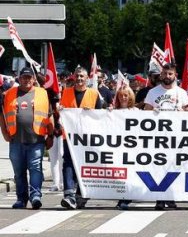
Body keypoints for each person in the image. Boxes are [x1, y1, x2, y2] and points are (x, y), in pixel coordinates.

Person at [0, 67, 53, 209]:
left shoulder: (42, 93)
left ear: (34, 79)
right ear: (19, 78)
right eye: (24, 77)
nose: (27, 80)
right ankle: (21, 199)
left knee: (35, 168)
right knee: (19, 172)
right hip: (16, 140)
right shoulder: (9, 94)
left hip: (37, 140)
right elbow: (2, 114)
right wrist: (4, 132)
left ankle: (35, 196)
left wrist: (51, 134)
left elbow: (49, 115)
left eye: (29, 77)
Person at [144, 63, 188, 210]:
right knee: (158, 166)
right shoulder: (152, 93)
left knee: (173, 166)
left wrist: (180, 112)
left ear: (175, 75)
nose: (167, 76)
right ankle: (159, 198)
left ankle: (170, 196)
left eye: (170, 74)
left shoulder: (181, 93)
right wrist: (152, 113)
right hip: (157, 137)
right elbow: (145, 114)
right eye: (165, 73)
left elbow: (187, 116)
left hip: (176, 137)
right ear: (161, 74)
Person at [59, 67, 104, 209]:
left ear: (87, 79)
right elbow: (61, 112)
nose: (79, 79)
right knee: (68, 163)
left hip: (87, 137)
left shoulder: (94, 94)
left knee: (85, 165)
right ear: (74, 77)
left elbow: (100, 115)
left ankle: (81, 194)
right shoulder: (65, 93)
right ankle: (69, 195)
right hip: (70, 136)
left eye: (82, 76)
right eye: (77, 76)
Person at [110, 86, 137, 210]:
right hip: (118, 148)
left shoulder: (136, 111)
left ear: (130, 96)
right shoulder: (113, 111)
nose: (123, 98)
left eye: (126, 95)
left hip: (132, 149)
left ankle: (126, 198)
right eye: (120, 95)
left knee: (130, 174)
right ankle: (122, 198)